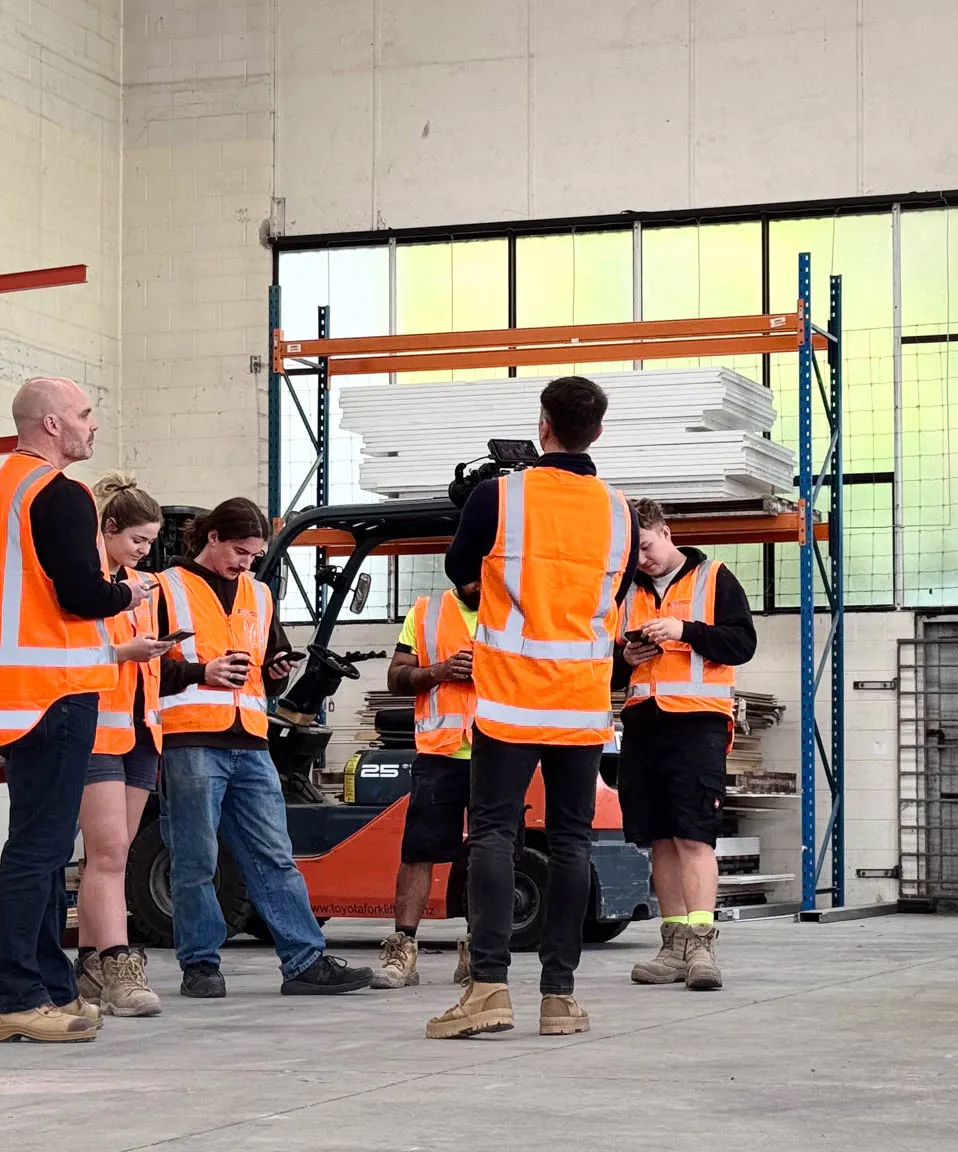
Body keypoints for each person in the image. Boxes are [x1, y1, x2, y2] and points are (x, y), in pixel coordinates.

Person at [427, 375, 638, 1039]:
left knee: (494, 834)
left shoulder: (500, 496)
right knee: (573, 843)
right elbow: (620, 588)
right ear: (597, 432)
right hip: (581, 703)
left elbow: (457, 568)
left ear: (543, 424)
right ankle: (559, 997)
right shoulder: (620, 511)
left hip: (509, 699)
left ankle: (489, 987)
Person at [0, 376, 154, 1044]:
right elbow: (80, 596)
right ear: (50, 425)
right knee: (38, 850)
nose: (92, 424)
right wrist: (126, 592)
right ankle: (14, 995)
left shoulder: (3, 490)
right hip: (53, 696)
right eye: (83, 414)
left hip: (18, 698)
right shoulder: (60, 493)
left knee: (40, 850)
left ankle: (45, 985)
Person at [155, 497, 372, 998]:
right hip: (190, 739)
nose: (245, 562)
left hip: (251, 743)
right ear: (212, 538)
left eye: (253, 555)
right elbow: (143, 669)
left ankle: (305, 961)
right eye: (239, 551)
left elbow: (268, 668)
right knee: (195, 859)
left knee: (274, 855)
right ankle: (200, 965)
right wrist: (199, 672)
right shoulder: (165, 589)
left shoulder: (258, 594)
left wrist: (277, 671)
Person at [617, 498, 755, 991]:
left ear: (666, 532)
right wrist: (627, 657)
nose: (642, 561)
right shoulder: (623, 591)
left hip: (697, 723)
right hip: (643, 723)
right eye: (633, 554)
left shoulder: (715, 578)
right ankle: (673, 943)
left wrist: (685, 630)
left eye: (647, 548)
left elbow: (742, 644)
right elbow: (609, 667)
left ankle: (701, 944)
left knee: (694, 834)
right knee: (659, 836)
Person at [73, 475, 175, 1018]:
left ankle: (91, 964)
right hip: (98, 731)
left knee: (110, 855)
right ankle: (118, 964)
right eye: (137, 540)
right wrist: (123, 652)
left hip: (141, 732)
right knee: (109, 853)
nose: (144, 551)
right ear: (108, 529)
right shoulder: (87, 582)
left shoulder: (145, 585)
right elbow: (81, 649)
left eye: (150, 543)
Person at [370, 581, 483, 990]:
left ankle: (480, 950)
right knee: (418, 851)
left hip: (499, 752)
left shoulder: (517, 609)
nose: (480, 584)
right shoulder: (426, 611)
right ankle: (404, 946)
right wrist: (437, 671)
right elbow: (396, 676)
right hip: (441, 751)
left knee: (491, 854)